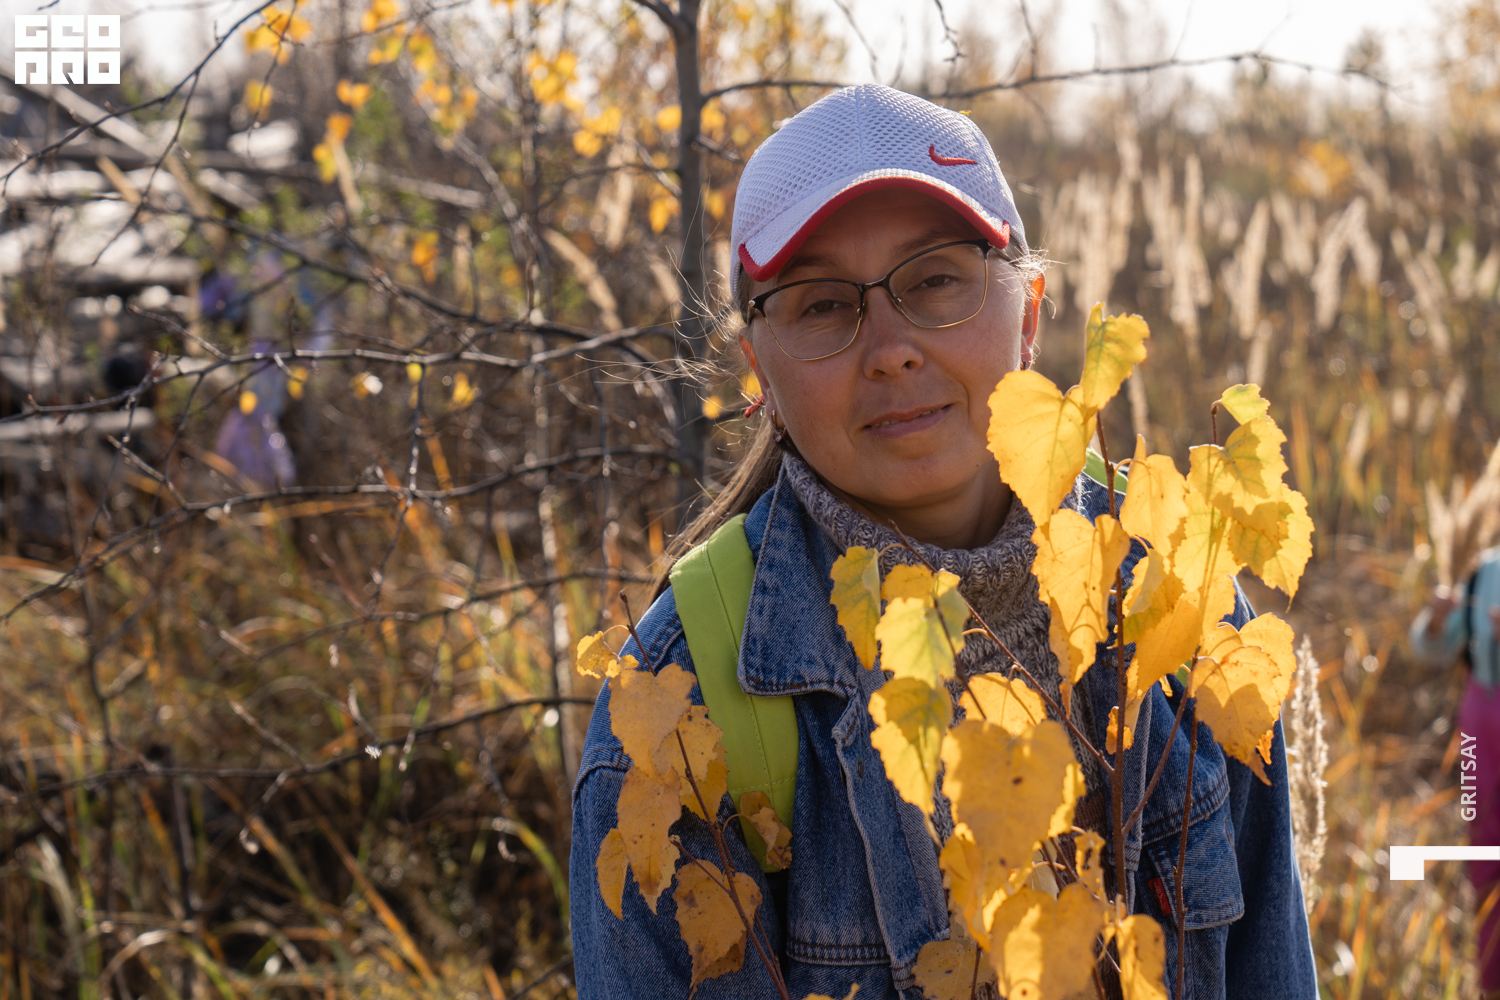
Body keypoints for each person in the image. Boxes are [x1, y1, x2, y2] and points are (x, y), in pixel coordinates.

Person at [570, 84, 1317, 999]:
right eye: (821, 304)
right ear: (758, 370)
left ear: (1030, 313)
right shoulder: (677, 714)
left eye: (934, 280)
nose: (890, 347)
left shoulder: (1174, 592)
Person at [1412, 548, 1500, 996]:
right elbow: (1431, 646)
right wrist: (1436, 616)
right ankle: (1491, 978)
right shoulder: (1486, 570)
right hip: (1480, 723)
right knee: (1485, 850)